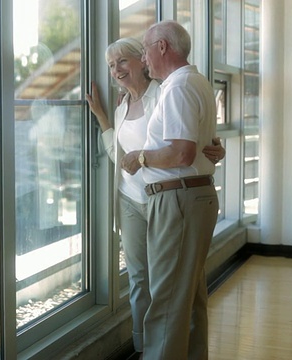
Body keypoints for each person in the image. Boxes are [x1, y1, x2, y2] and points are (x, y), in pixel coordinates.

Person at [86, 37, 224, 357]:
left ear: (142, 61)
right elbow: (120, 157)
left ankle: (174, 350)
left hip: (168, 200)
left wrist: (215, 149)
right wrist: (103, 118)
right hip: (132, 201)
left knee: (178, 286)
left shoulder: (165, 92)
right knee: (140, 281)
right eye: (110, 65)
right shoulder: (121, 106)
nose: (116, 70)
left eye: (122, 61)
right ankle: (144, 346)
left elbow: (193, 142)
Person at [119, 20, 220, 360]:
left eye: (145, 50)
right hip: (191, 196)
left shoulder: (177, 88)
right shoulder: (195, 82)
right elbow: (202, 146)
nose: (144, 60)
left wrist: (141, 157)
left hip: (178, 199)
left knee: (165, 300)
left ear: (162, 47)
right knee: (189, 297)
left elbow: (182, 152)